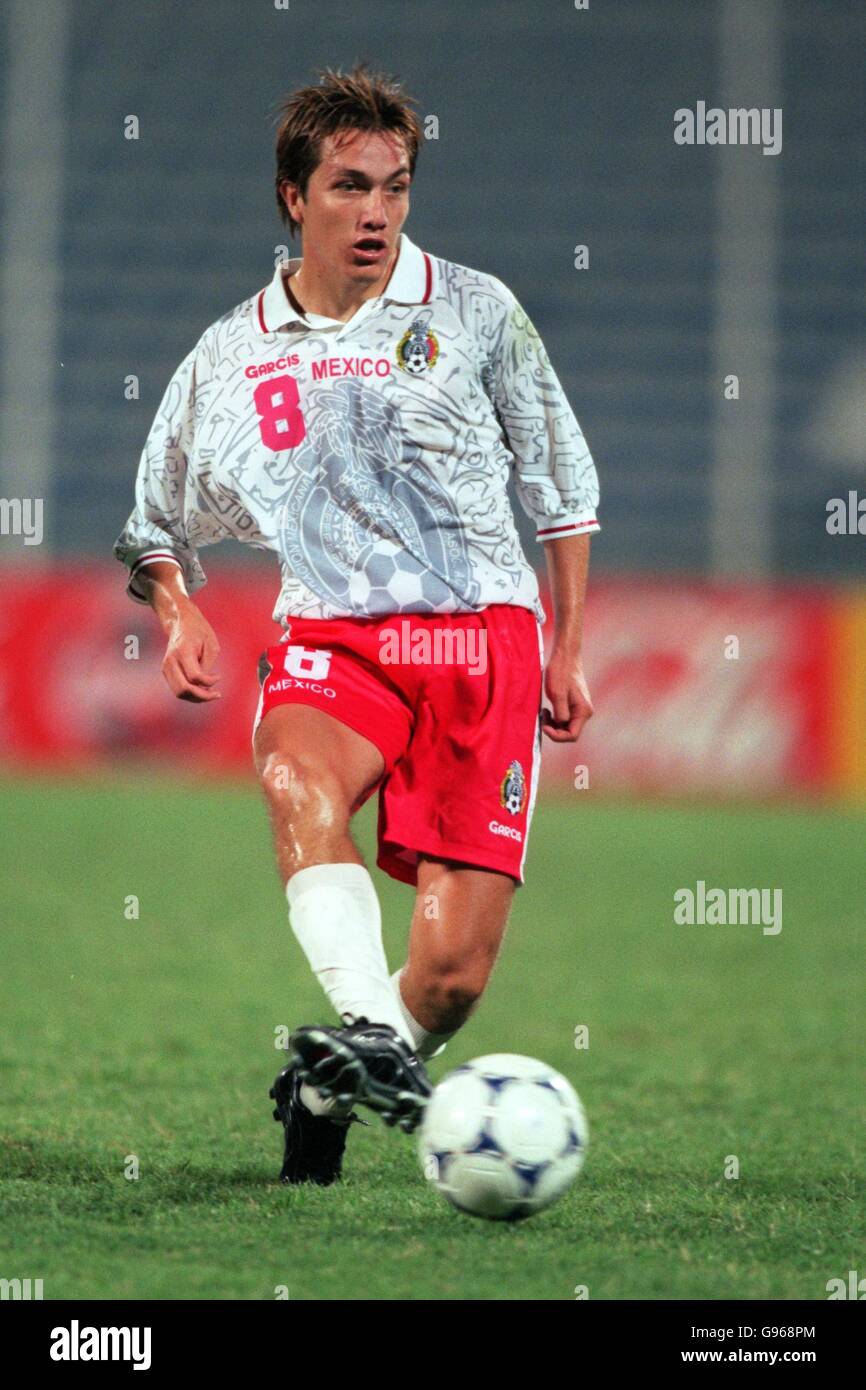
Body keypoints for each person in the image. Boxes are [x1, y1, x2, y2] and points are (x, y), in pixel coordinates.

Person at [114, 63, 600, 1186]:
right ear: (294, 197)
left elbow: (562, 485)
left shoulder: (475, 311)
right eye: (348, 186)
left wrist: (566, 642)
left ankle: (334, 1075)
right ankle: (358, 1026)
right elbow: (150, 523)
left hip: (480, 645)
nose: (375, 210)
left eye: (394, 186)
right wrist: (179, 607)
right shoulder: (228, 356)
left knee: (449, 982)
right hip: (336, 643)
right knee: (296, 776)